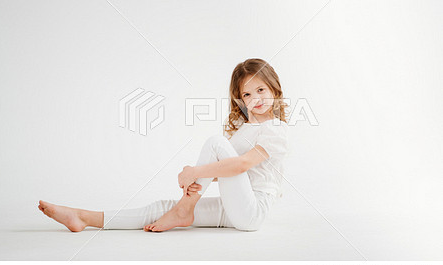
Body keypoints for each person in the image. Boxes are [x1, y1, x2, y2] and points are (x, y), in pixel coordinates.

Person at [38, 58, 290, 232]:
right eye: (247, 94)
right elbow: (226, 173)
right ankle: (83, 217)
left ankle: (184, 210)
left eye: (260, 90)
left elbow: (242, 165)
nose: (255, 98)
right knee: (163, 208)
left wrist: (194, 172)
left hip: (252, 209)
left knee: (215, 143)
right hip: (235, 206)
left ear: (274, 89)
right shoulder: (245, 129)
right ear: (240, 99)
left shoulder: (275, 128)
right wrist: (197, 177)